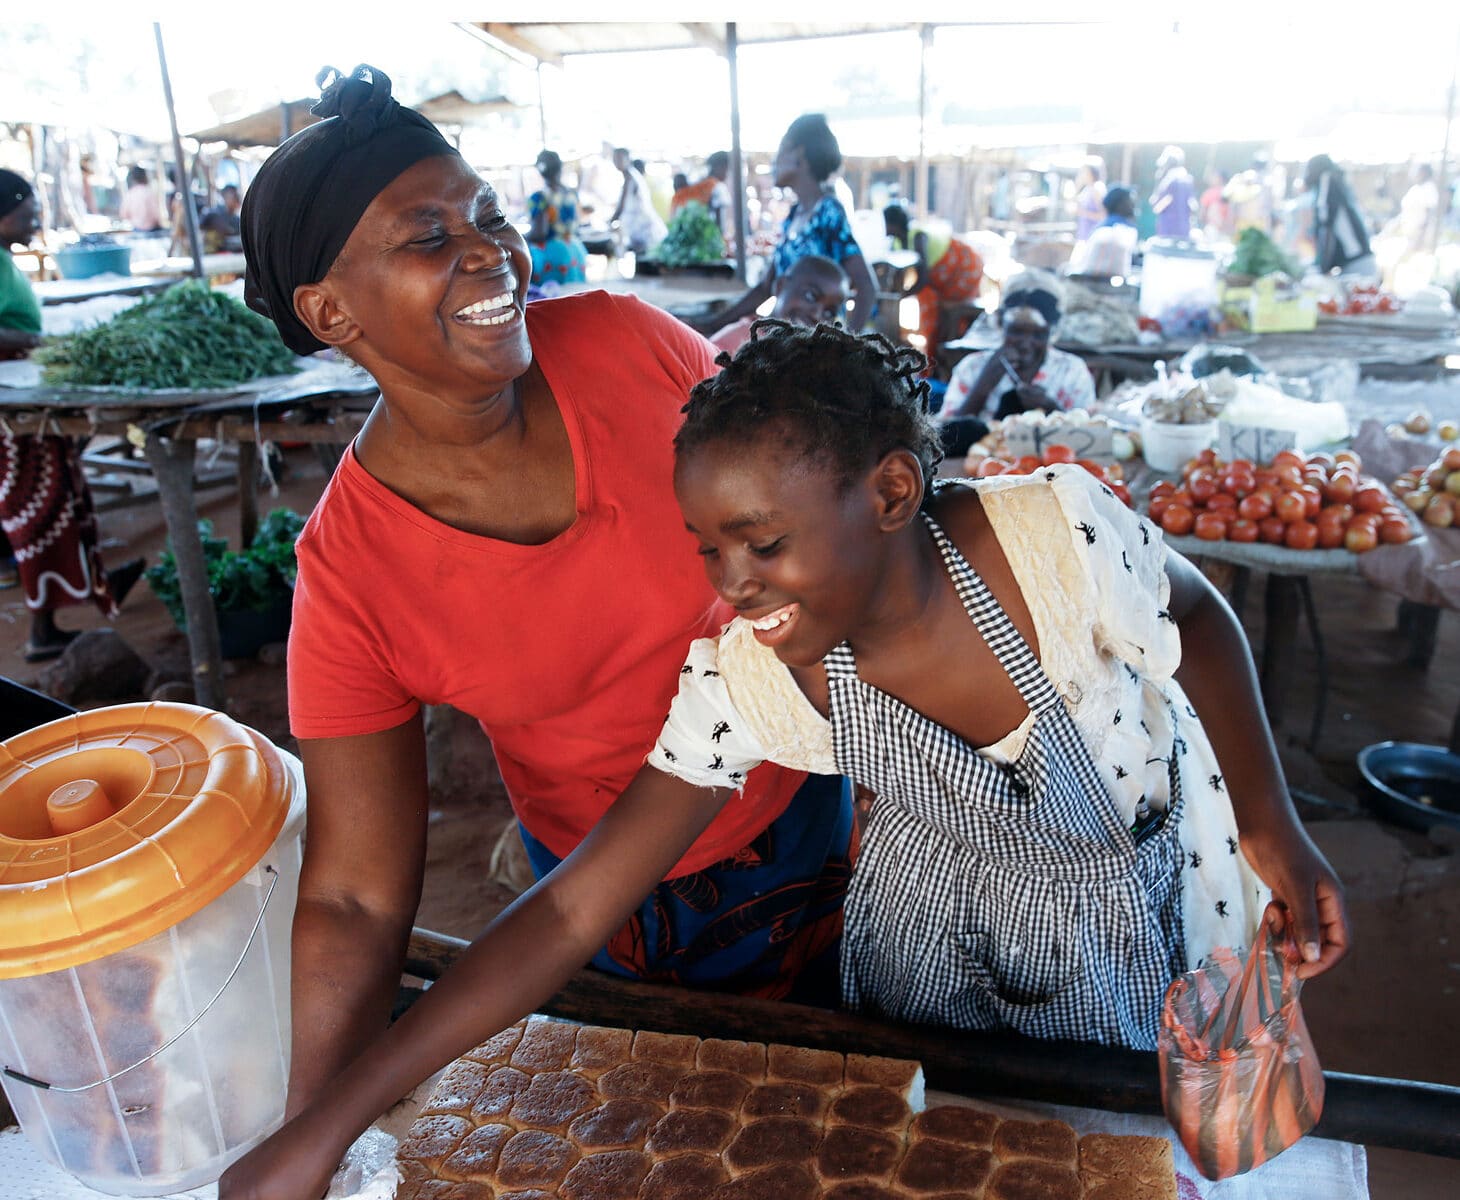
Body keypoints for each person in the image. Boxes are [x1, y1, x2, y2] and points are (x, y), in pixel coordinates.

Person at [219, 322, 1349, 1200]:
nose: (732, 586)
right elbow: (569, 915)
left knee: (1113, 1154)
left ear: (892, 493)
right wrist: (327, 1121)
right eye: (708, 551)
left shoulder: (1047, 544)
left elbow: (1195, 617)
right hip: (922, 954)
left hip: (1116, 931)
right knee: (948, 1150)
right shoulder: (756, 678)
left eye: (764, 545)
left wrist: (1268, 824)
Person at [224, 62, 853, 1178]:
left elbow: (807, 543)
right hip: (603, 905)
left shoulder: (635, 349)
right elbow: (359, 896)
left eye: (490, 217)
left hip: (818, 828)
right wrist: (309, 1135)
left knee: (847, 1124)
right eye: (429, 237)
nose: (487, 252)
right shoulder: (352, 574)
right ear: (328, 312)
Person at [0, 169, 143, 660]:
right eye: (26, 214)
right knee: (39, 509)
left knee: (68, 494)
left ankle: (93, 588)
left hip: (28, 397)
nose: (35, 221)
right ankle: (43, 631)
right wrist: (36, 343)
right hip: (10, 413)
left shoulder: (6, 261)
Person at [689, 113, 876, 336]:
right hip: (787, 345)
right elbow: (766, 288)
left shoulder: (828, 212)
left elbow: (866, 287)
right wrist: (712, 324)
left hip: (815, 349)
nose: (774, 161)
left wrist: (846, 348)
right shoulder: (793, 218)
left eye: (781, 149)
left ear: (800, 153)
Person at [936, 274, 1095, 459]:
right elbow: (941, 439)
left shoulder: (1071, 371)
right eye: (1017, 331)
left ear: (1052, 332)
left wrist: (1050, 408)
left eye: (1038, 334)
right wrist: (983, 385)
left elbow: (1090, 443)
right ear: (1001, 324)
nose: (1026, 343)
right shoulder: (973, 367)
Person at [882, 202, 983, 365]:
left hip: (963, 268)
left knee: (941, 312)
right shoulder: (896, 243)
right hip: (942, 282)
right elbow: (896, 277)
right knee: (931, 309)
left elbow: (922, 279)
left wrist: (900, 296)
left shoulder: (918, 236)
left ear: (892, 224)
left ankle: (943, 359)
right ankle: (936, 359)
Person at [709, 253, 849, 355]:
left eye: (829, 312)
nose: (817, 315)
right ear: (780, 286)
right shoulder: (734, 342)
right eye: (810, 296)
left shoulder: (813, 359)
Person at [525, 149, 588, 286]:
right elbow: (577, 226)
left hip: (554, 256)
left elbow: (540, 233)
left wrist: (522, 237)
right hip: (576, 252)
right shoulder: (571, 194)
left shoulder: (540, 198)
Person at [1305, 154, 1375, 276]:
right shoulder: (1336, 181)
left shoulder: (1327, 179)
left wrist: (1323, 266)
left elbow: (1326, 225)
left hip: (1356, 262)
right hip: (1358, 261)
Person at [1069, 185, 1139, 279]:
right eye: (1130, 201)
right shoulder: (1121, 229)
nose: (1133, 206)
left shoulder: (1103, 227)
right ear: (1119, 204)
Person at [609, 146, 666, 255]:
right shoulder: (630, 176)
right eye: (615, 159)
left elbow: (621, 207)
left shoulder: (630, 178)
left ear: (628, 159)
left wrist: (610, 223)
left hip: (646, 231)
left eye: (620, 159)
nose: (617, 162)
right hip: (641, 230)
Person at [671, 150, 732, 237]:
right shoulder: (717, 187)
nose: (728, 173)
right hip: (704, 238)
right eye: (727, 168)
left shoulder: (700, 185)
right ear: (720, 167)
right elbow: (720, 224)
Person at [1150, 146, 1195, 240]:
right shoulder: (1187, 179)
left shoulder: (1170, 180)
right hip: (1184, 232)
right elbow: (1192, 206)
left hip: (1168, 231)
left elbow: (1158, 205)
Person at [118, 165, 165, 232]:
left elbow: (123, 214)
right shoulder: (149, 192)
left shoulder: (130, 194)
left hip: (137, 230)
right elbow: (156, 215)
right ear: (145, 176)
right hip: (152, 231)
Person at [198, 183, 243, 254]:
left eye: (238, 197)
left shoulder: (237, 220)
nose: (238, 200)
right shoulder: (213, 214)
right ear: (225, 197)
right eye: (235, 196)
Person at [1073, 157, 1106, 243]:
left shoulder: (1097, 188)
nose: (1082, 175)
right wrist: (1077, 187)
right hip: (1084, 236)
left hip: (1093, 237)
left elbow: (1103, 215)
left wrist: (1083, 213)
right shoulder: (1087, 189)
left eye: (1084, 172)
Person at [1199, 168, 1232, 239]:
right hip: (1227, 231)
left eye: (1214, 177)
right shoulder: (1231, 192)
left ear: (1220, 178)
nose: (1211, 179)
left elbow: (1202, 214)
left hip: (1213, 230)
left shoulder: (1210, 193)